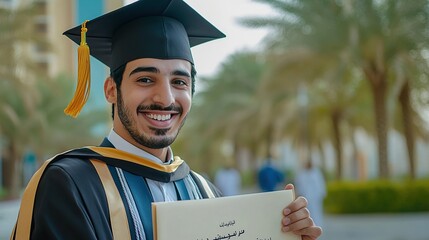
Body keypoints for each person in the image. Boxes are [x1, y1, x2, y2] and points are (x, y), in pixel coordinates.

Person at [11, 0, 322, 239]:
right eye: (145, 79)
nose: (166, 99)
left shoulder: (205, 191)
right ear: (111, 90)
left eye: (180, 82)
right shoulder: (69, 183)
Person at [295, 159, 327, 228]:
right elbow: (299, 184)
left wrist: (322, 193)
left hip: (316, 197)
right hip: (306, 197)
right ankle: (308, 225)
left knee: (316, 212)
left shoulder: (316, 173)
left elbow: (320, 184)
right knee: (307, 211)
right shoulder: (302, 173)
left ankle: (317, 225)